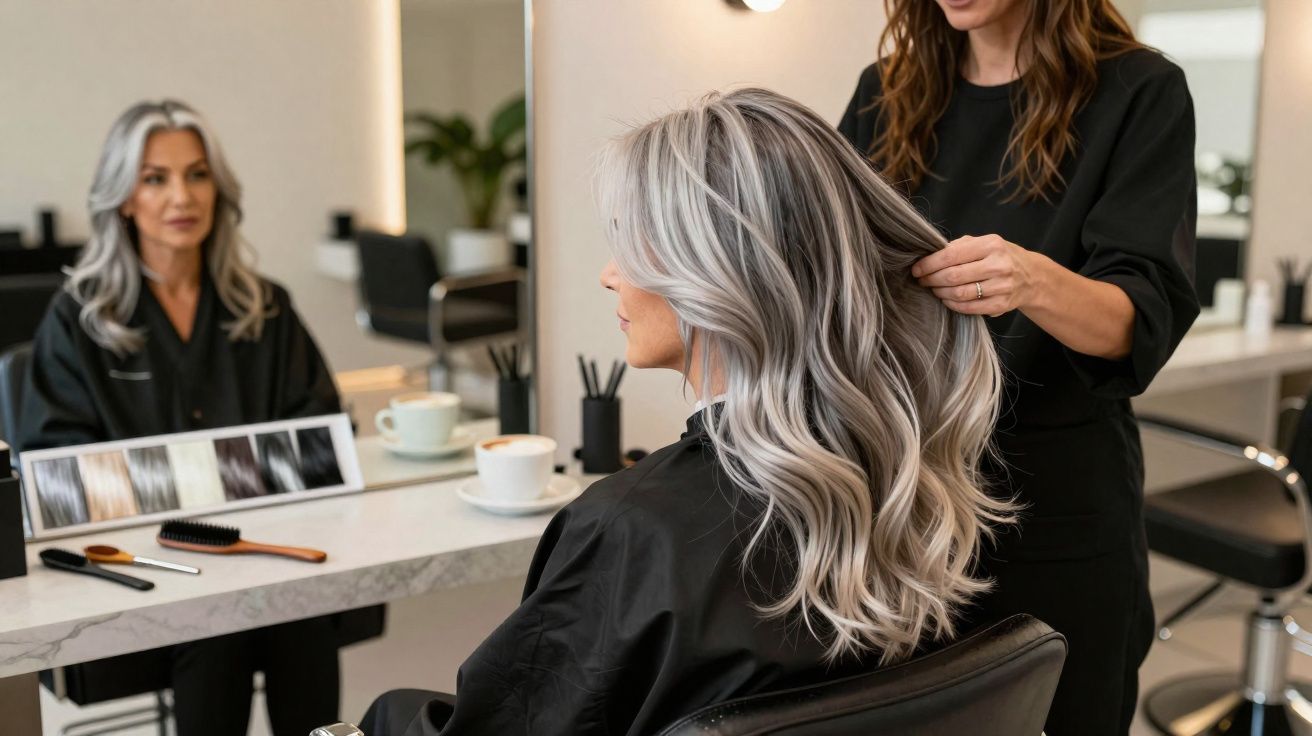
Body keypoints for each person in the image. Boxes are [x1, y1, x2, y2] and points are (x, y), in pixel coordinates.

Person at [360, 87, 1013, 735]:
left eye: (632, 246)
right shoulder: (917, 482)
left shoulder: (629, 529)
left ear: (713, 274)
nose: (609, 275)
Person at [837, 1, 1199, 732]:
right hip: (911, 510)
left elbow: (1139, 319)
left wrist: (1030, 281)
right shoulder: (888, 93)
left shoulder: (1138, 91)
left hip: (1058, 508)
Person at [18, 100, 343, 736]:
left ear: (218, 190)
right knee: (214, 629)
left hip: (264, 555)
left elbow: (319, 439)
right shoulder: (79, 320)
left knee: (303, 612)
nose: (180, 197)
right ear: (123, 199)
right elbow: (56, 475)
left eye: (196, 175)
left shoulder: (266, 308)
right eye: (155, 178)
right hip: (144, 568)